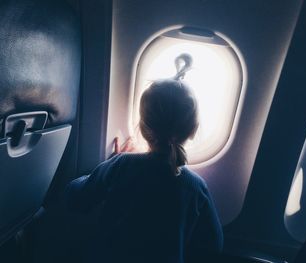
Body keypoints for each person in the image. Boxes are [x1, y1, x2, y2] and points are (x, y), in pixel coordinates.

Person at [65, 79, 223, 262]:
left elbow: (75, 198)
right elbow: (214, 244)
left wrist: (105, 167)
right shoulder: (196, 187)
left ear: (143, 127)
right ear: (193, 130)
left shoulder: (122, 165)